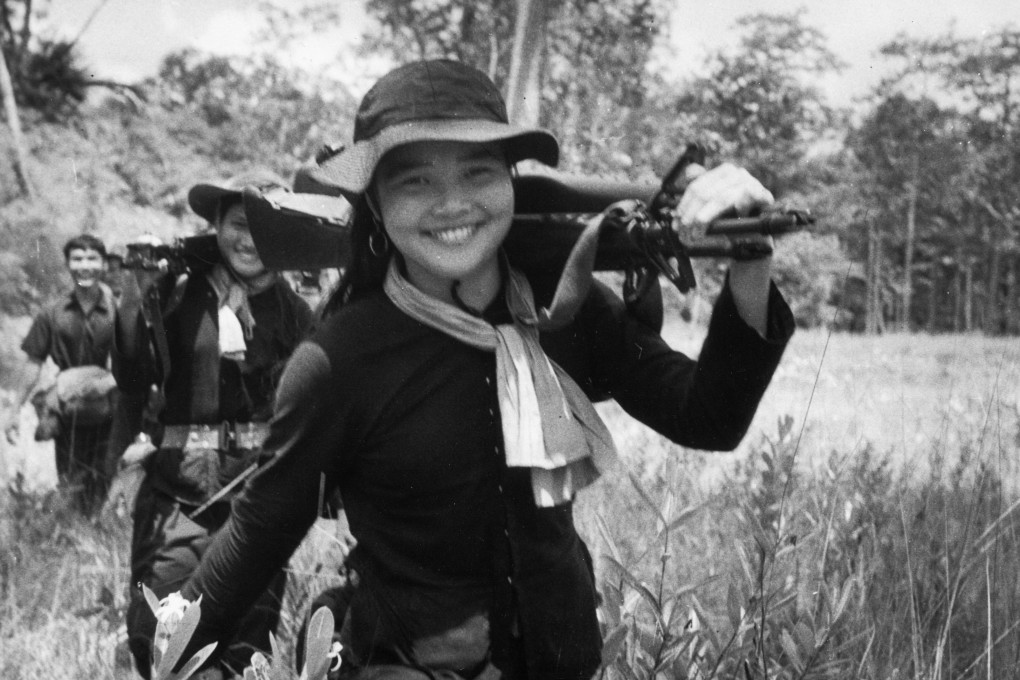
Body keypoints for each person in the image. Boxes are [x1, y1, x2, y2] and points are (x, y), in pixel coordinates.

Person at [180, 59, 795, 680]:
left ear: (510, 182)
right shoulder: (339, 360)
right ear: (377, 203)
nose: (452, 204)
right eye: (415, 181)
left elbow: (709, 419)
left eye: (478, 171)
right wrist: (172, 651)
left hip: (560, 657)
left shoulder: (564, 310)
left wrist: (751, 254)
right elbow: (262, 529)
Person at [114, 170, 315, 678]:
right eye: (238, 224)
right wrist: (136, 296)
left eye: (266, 226)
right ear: (217, 225)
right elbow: (133, 375)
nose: (249, 240)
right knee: (157, 634)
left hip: (257, 503)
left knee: (249, 646)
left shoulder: (297, 312)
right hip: (177, 493)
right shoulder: (179, 294)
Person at [4, 233, 118, 515]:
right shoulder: (53, 313)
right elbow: (34, 362)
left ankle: (106, 544)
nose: (84, 266)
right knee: (71, 483)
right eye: (77, 259)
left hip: (114, 409)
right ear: (68, 264)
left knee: (108, 483)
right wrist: (14, 410)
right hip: (71, 411)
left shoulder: (120, 310)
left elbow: (137, 361)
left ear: (103, 264)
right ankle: (75, 545)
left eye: (92, 259)